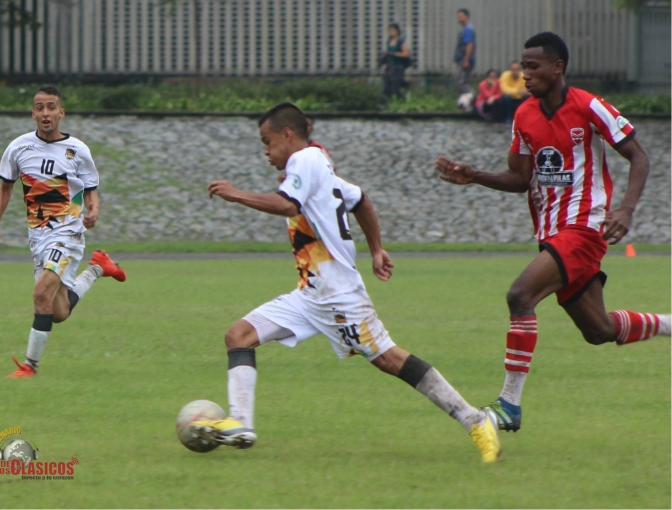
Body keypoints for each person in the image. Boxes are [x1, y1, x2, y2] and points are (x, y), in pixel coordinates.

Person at [200, 102, 501, 462]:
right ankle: (240, 423)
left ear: (287, 135)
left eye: (268, 142)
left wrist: (235, 193)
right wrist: (376, 249)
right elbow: (360, 199)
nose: (265, 151)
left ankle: (475, 419)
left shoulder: (305, 160)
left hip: (337, 296)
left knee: (388, 358)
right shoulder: (319, 167)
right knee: (239, 335)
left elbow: (287, 205)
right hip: (309, 295)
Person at [435, 32, 671, 434]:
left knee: (520, 295)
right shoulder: (524, 115)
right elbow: (520, 179)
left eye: (533, 66)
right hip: (552, 232)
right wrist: (475, 176)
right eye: (523, 66)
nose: (524, 74)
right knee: (598, 330)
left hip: (585, 226)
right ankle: (668, 324)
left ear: (557, 67)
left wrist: (626, 208)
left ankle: (509, 405)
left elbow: (639, 156)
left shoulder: (589, 106)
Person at [0, 86, 127, 378]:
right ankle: (97, 268)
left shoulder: (78, 150)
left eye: (51, 107)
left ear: (61, 112)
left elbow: (91, 190)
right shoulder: (18, 148)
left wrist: (94, 209)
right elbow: (5, 188)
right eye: (40, 108)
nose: (45, 113)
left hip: (67, 233)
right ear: (33, 113)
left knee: (41, 294)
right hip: (38, 236)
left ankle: (30, 366)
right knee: (57, 311)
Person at [381, 23, 410, 98]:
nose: (391, 32)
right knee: (387, 89)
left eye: (393, 30)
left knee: (395, 89)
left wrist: (394, 54)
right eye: (390, 30)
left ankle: (404, 99)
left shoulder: (401, 42)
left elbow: (406, 54)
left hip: (398, 67)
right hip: (390, 67)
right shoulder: (389, 42)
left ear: (397, 31)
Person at [453, 8, 476, 97]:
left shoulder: (468, 29)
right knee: (461, 82)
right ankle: (465, 102)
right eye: (458, 17)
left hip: (464, 61)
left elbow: (469, 44)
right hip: (462, 60)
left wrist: (466, 60)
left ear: (466, 17)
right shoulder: (465, 29)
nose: (458, 18)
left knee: (460, 83)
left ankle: (473, 97)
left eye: (461, 16)